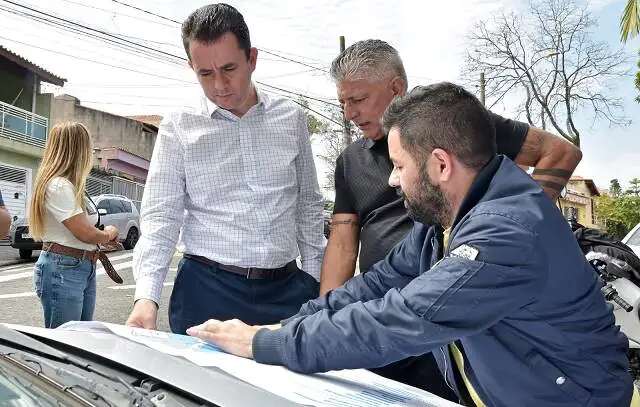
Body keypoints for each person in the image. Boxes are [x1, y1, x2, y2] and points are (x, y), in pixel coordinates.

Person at [187, 83, 635, 407]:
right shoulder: (442, 223)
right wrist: (291, 322)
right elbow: (377, 284)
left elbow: (400, 319)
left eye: (399, 165)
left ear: (440, 164)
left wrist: (265, 345)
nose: (391, 178)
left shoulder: (506, 232)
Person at [317, 39, 582, 398]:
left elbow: (560, 152)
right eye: (342, 102)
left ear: (396, 88)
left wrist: (520, 220)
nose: (349, 112)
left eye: (359, 99)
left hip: (461, 323)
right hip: (383, 319)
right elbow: (343, 244)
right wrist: (322, 323)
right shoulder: (349, 161)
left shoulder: (456, 126)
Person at [126, 3, 325, 334]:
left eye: (229, 68)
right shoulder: (178, 126)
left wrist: (314, 281)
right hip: (206, 291)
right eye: (205, 73)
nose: (219, 85)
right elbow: (162, 216)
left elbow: (308, 202)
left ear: (253, 59)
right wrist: (146, 298)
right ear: (192, 67)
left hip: (287, 290)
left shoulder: (290, 119)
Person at [28, 122, 119, 329]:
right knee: (65, 343)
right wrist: (108, 234)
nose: (90, 151)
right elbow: (84, 233)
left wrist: (100, 241)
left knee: (79, 337)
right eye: (87, 146)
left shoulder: (70, 186)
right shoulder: (58, 185)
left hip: (80, 265)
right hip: (64, 267)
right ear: (77, 149)